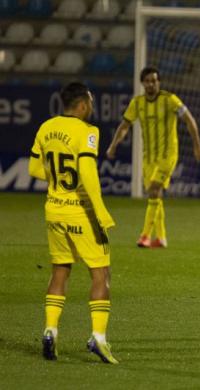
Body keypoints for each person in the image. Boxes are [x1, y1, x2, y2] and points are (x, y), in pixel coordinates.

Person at [29, 82, 118, 364]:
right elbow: (89, 175)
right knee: (101, 273)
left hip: (54, 210)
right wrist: (101, 214)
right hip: (82, 213)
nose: (91, 107)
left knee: (60, 271)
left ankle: (50, 330)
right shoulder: (88, 132)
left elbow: (33, 169)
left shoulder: (45, 128)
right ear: (81, 105)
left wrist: (57, 180)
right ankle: (98, 339)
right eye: (90, 102)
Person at [106, 66, 200, 248]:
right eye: (147, 81)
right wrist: (114, 145)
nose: (151, 84)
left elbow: (189, 120)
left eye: (154, 80)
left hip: (168, 155)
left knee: (153, 190)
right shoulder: (137, 104)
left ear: (159, 82)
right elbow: (124, 126)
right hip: (149, 158)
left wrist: (197, 145)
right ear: (142, 83)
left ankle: (145, 235)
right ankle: (161, 238)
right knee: (155, 195)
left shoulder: (170, 100)